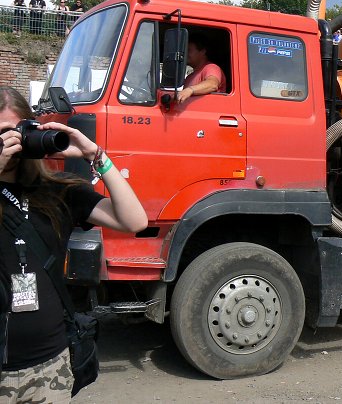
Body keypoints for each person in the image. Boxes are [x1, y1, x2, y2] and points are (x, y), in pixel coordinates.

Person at [0, 86, 147, 402]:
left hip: (50, 366)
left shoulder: (58, 193)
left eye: (18, 132)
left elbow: (135, 221)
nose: (11, 143)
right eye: (2, 135)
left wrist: (96, 154)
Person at [177, 33, 226, 103]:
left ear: (203, 51)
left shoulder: (211, 67)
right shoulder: (189, 77)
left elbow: (212, 84)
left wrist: (190, 90)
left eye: (189, 50)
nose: (185, 54)